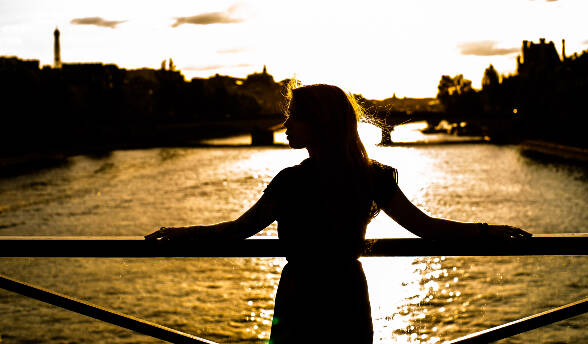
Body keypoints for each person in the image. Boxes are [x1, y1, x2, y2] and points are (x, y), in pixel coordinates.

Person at [146, 84, 531, 343]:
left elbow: (234, 231)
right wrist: (486, 232)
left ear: (320, 124)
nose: (284, 126)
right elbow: (427, 228)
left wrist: (180, 234)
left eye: (293, 117)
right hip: (347, 295)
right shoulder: (372, 177)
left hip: (299, 296)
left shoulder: (290, 182)